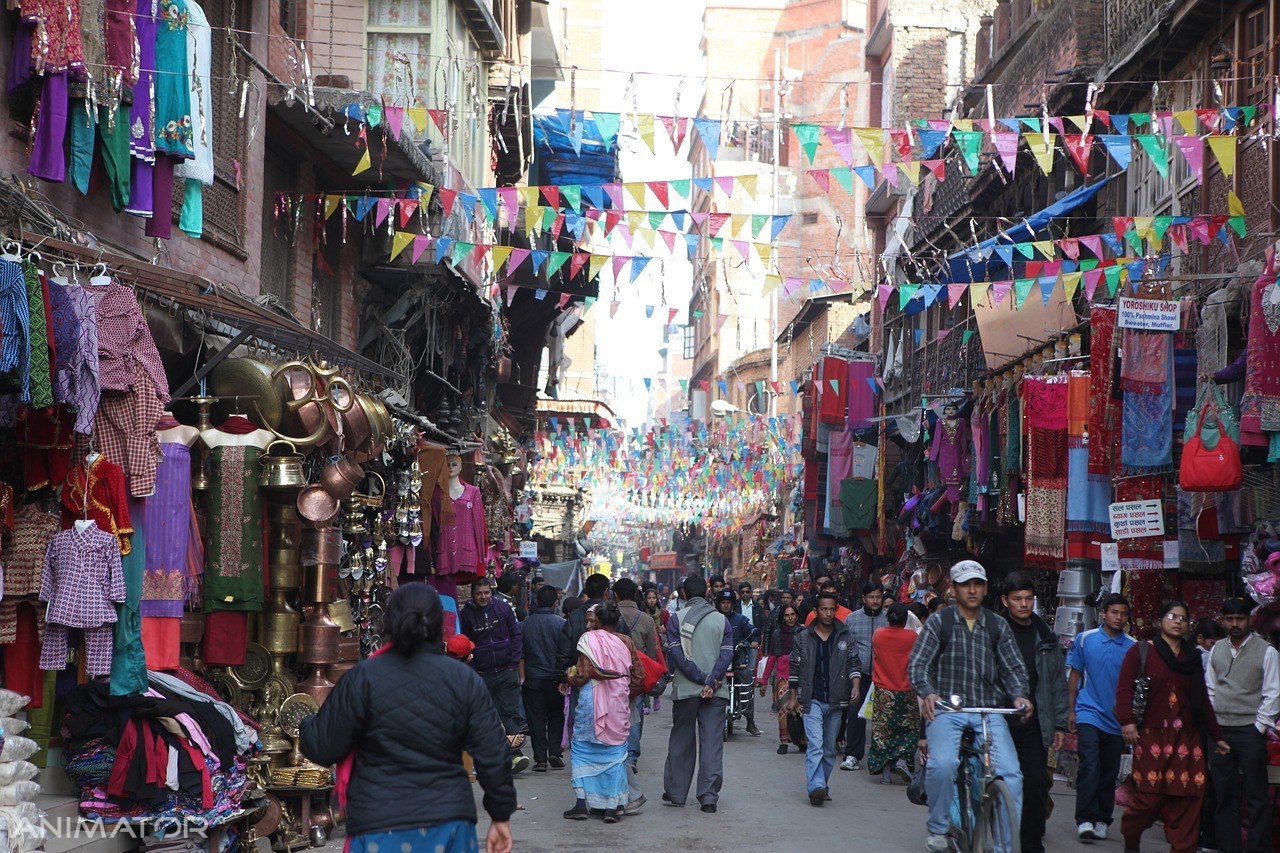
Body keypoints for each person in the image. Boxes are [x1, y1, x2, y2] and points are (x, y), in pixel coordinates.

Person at [300, 583, 515, 853]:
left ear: (389, 623)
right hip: (448, 822)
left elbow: (322, 747)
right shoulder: (464, 679)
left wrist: (307, 723)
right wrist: (500, 816)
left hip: (378, 823)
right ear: (441, 626)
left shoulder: (363, 677)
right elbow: (493, 752)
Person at [906, 559, 1031, 853]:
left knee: (1011, 774)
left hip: (989, 711)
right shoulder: (940, 622)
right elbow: (918, 665)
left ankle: (1004, 846)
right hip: (948, 710)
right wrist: (927, 692)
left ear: (986, 588)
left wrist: (1020, 696)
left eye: (977, 584)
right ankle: (938, 827)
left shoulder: (998, 625)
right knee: (943, 763)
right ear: (954, 588)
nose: (972, 590)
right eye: (965, 585)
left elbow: (1014, 669)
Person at [1116, 601, 1229, 853]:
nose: (1178, 621)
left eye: (1184, 618)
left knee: (1189, 799)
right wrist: (1127, 721)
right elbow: (1124, 689)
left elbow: (1202, 701)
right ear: (1159, 621)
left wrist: (1217, 736)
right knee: (1149, 797)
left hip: (1188, 740)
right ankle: (1131, 835)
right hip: (1151, 734)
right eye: (1172, 616)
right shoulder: (1142, 651)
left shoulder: (1192, 658)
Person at [1000, 572, 1068, 853]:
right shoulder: (993, 630)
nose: (1024, 604)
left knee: (1037, 781)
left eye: (1028, 598)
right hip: (997, 717)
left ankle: (1029, 841)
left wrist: (1061, 725)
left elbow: (1056, 682)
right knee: (999, 779)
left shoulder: (1046, 636)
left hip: (1034, 721)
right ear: (1005, 600)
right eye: (1017, 599)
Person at [1205, 597, 1278, 853]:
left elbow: (1273, 693)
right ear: (1223, 621)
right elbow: (1211, 689)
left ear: (1249, 619)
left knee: (1257, 795)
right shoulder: (1217, 649)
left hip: (1249, 730)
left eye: (1240, 619)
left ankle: (1257, 849)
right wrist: (1214, 723)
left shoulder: (1266, 651)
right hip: (1221, 730)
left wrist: (1259, 726)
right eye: (1230, 619)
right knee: (1225, 794)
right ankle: (1229, 848)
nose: (1235, 624)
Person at [563, 604, 644, 824]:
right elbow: (639, 675)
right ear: (616, 622)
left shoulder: (588, 639)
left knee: (581, 750)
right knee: (616, 755)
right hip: (618, 701)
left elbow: (582, 674)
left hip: (591, 702)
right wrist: (626, 694)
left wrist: (569, 677)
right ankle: (611, 808)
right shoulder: (626, 642)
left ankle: (581, 804)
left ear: (597, 621)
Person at [1066, 592, 1134, 842]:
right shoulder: (1085, 639)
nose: (1119, 617)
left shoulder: (1133, 646)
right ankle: (1084, 818)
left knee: (1109, 770)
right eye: (1114, 612)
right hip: (1088, 712)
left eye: (1124, 614)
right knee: (1090, 764)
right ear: (1103, 614)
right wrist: (1071, 710)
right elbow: (1075, 675)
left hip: (1116, 719)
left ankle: (1102, 819)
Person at [662, 573, 733, 813]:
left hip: (686, 691)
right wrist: (711, 681)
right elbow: (726, 655)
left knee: (682, 739)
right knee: (712, 743)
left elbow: (678, 657)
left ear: (683, 594)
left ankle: (677, 793)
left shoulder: (675, 620)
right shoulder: (722, 621)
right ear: (707, 593)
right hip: (716, 690)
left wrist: (701, 679)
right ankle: (709, 797)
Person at [786, 591, 862, 807]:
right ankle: (815, 786)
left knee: (829, 749)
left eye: (831, 609)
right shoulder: (803, 637)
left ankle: (822, 785)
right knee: (816, 745)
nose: (828, 613)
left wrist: (855, 686)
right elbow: (795, 667)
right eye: (824, 609)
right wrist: (793, 697)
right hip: (813, 699)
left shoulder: (845, 636)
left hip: (837, 700)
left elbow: (854, 664)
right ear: (816, 611)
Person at [459, 577, 529, 775]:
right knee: (487, 717)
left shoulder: (503, 609)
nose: (483, 597)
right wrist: (473, 670)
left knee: (510, 714)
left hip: (506, 670)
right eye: (479, 593)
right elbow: (465, 643)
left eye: (486, 592)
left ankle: (514, 755)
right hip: (482, 674)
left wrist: (514, 662)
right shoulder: (466, 615)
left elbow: (515, 635)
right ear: (473, 595)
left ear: (492, 592)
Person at [612, 577, 658, 812]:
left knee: (614, 714)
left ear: (616, 595)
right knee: (635, 713)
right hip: (636, 672)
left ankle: (616, 752)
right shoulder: (647, 619)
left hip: (612, 673)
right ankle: (631, 756)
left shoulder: (608, 614)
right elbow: (652, 651)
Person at [867, 601, 919, 784]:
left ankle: (886, 772)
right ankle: (903, 760)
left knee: (883, 732)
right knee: (910, 729)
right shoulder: (912, 637)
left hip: (883, 692)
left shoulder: (878, 635)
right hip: (906, 691)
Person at [521, 584, 570, 772]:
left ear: (536, 601)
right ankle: (554, 752)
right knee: (556, 715)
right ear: (555, 602)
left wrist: (522, 677)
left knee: (536, 719)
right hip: (555, 678)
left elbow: (521, 653)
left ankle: (540, 759)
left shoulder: (525, 624)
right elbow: (564, 653)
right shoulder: (561, 624)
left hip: (533, 677)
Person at [840, 580, 887, 772]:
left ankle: (881, 757)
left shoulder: (888, 619)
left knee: (883, 718)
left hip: (883, 676)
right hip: (858, 676)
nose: (875, 601)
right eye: (871, 597)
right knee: (855, 713)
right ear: (863, 599)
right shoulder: (852, 619)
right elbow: (845, 646)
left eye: (878, 597)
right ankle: (853, 755)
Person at [715, 588, 761, 735]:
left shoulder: (740, 619)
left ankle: (750, 721)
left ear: (733, 604)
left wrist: (754, 640)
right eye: (723, 602)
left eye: (729, 602)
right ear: (718, 604)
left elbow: (752, 631)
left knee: (748, 682)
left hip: (737, 661)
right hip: (717, 661)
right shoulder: (713, 619)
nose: (726, 605)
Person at [760, 603, 803, 754]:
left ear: (796, 615)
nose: (790, 618)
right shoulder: (777, 634)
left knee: (800, 710)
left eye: (792, 614)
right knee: (783, 711)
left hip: (801, 676)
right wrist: (764, 681)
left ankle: (802, 740)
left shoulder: (803, 632)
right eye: (787, 615)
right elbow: (772, 658)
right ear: (782, 618)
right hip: (783, 677)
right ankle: (783, 741)